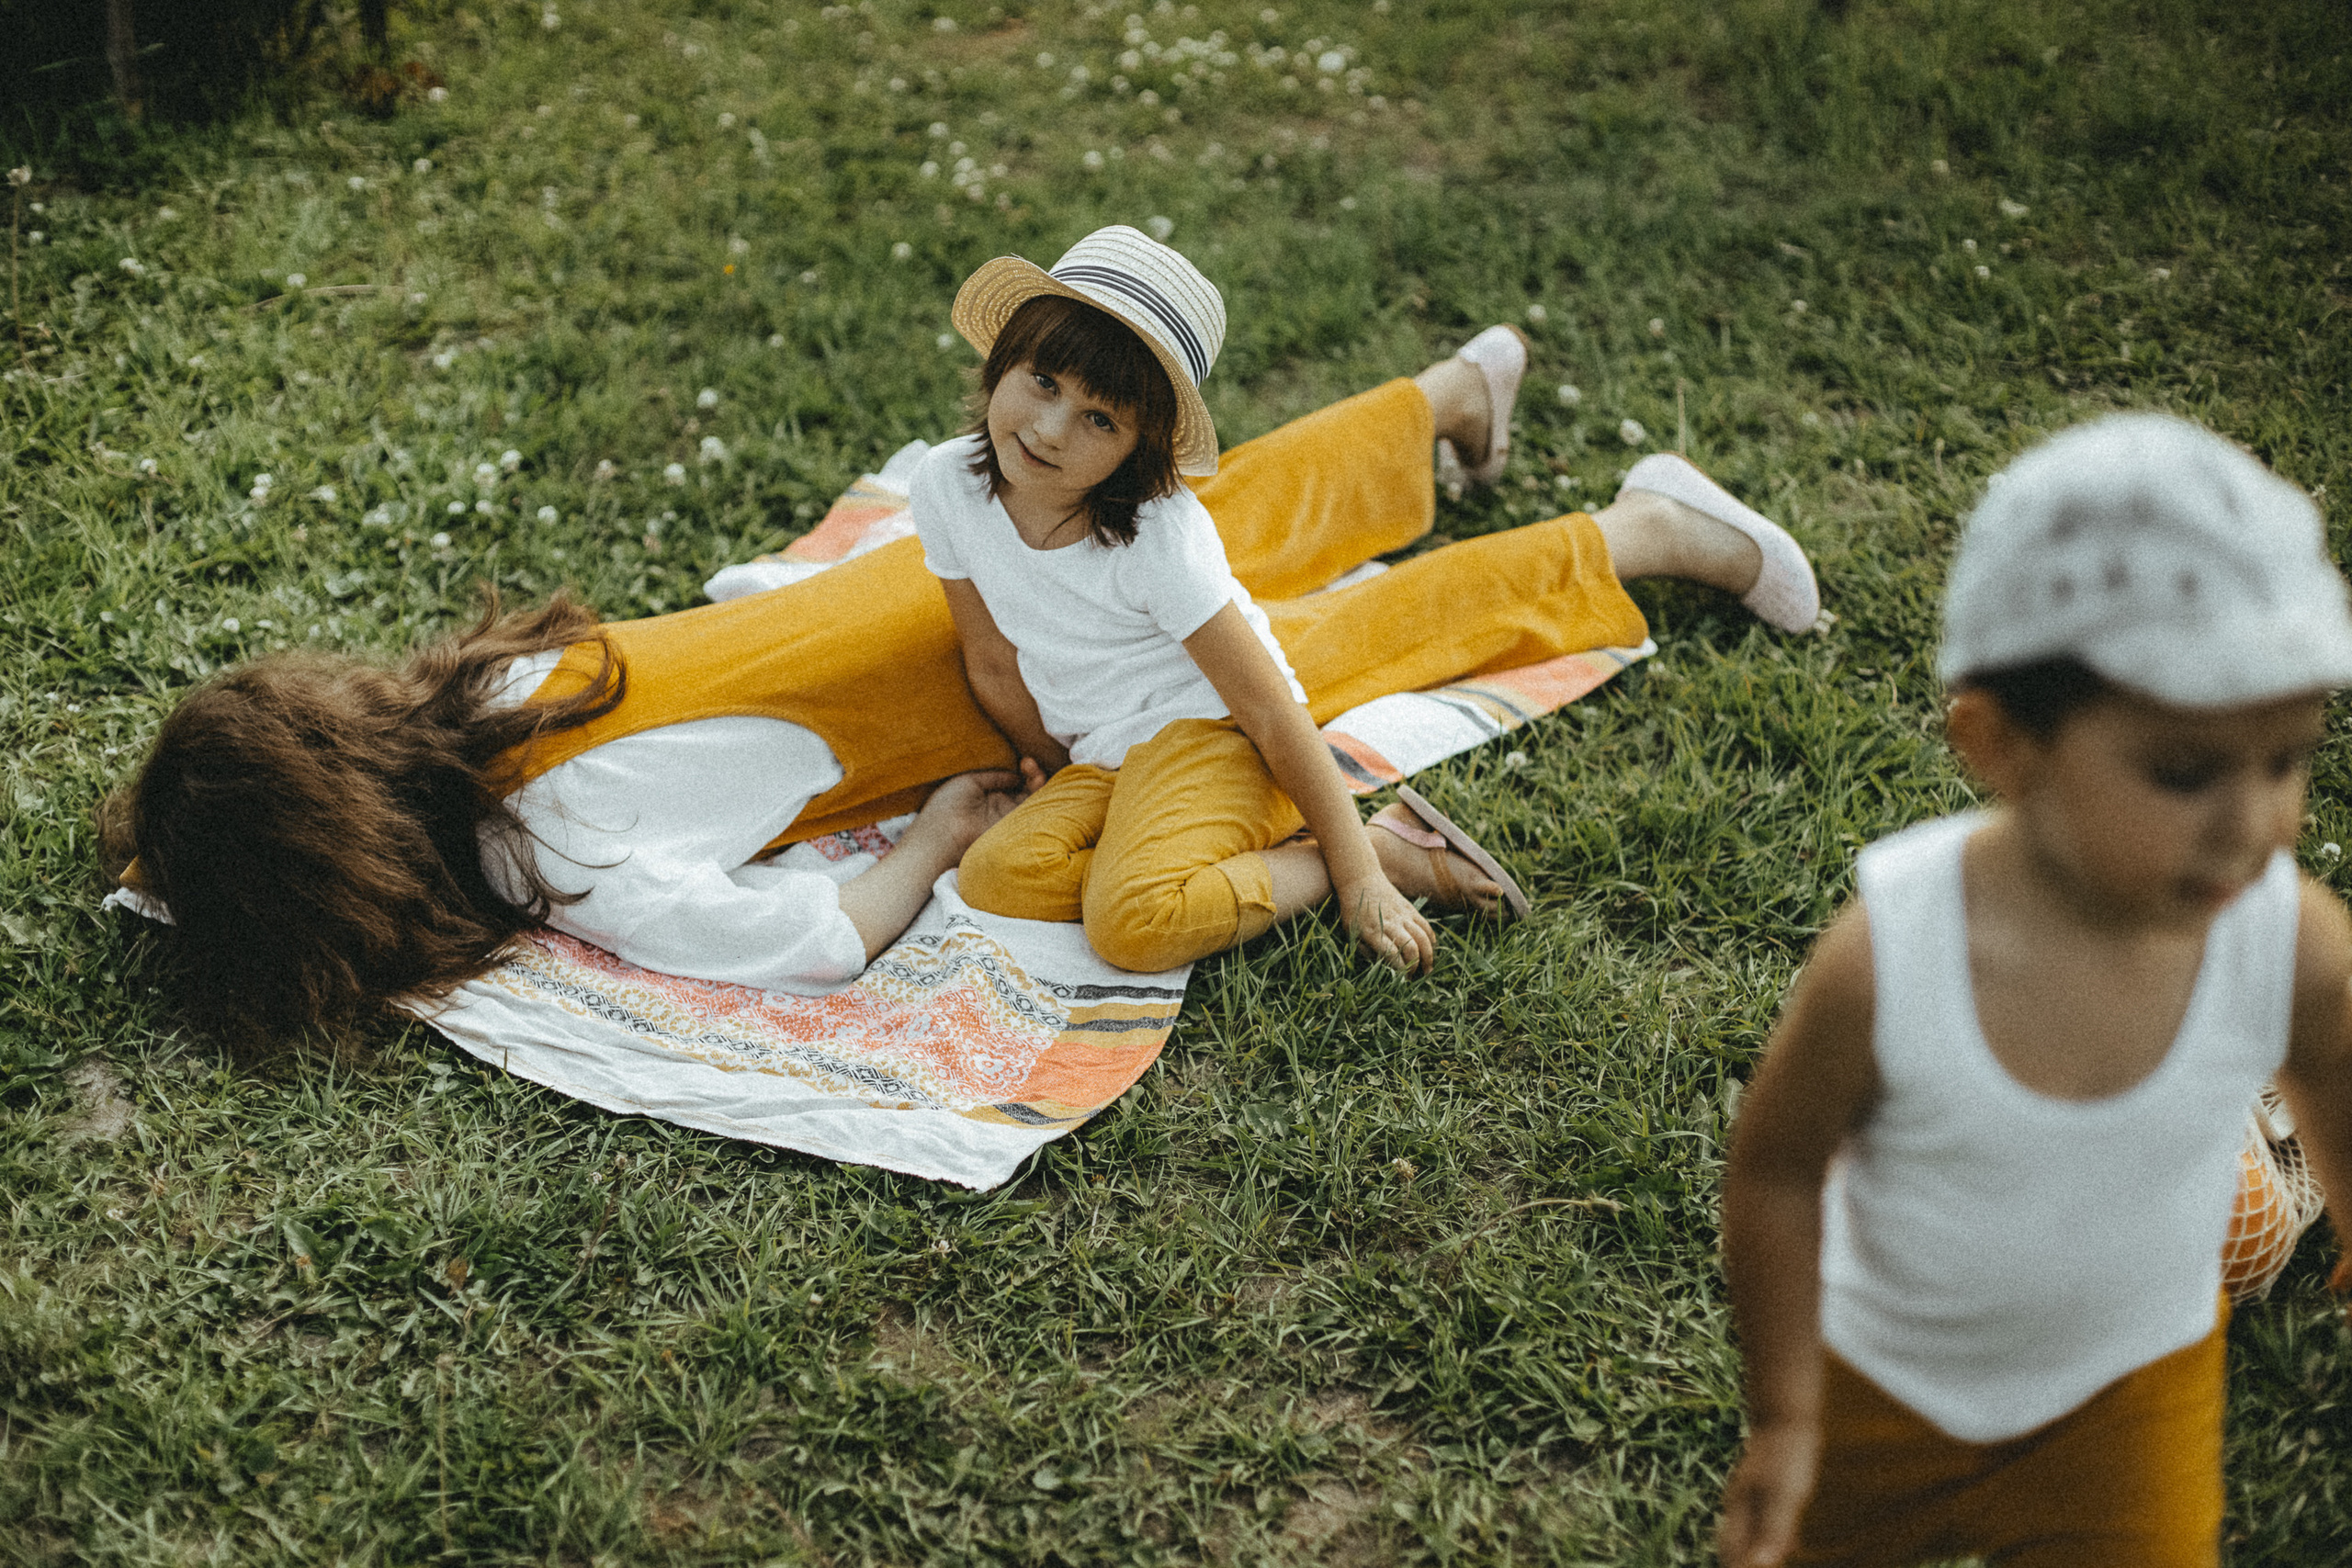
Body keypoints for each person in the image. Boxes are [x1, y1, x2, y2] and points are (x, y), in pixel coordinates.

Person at [102, 264, 1813, 1041]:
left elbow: (802, 940)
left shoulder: (559, 854)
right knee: (1165, 515)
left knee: (1295, 642)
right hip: (899, 609)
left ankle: (1640, 534)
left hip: (936, 674)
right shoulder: (467, 700)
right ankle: (1434, 408)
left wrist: (930, 839)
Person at [1714, 413, 2352, 1568]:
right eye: (2182, 770)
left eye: (2285, 759)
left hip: (2133, 1396)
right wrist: (1786, 1411)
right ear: (1999, 743)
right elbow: (1774, 1168)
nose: (2253, 825)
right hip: (1881, 1387)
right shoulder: (1887, 958)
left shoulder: (2290, 942)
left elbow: (2339, 1085)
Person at [918, 225, 1818, 976]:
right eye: (1041, 382)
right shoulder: (949, 486)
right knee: (996, 874)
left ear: (1142, 450)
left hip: (1208, 731)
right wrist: (1053, 768)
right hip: (1102, 753)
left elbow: (1271, 712)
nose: (1046, 429)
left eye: (1099, 419)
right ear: (1002, 361)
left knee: (1131, 925)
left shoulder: (1158, 540)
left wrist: (1356, 880)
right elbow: (992, 658)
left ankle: (1369, 851)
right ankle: (1467, 407)